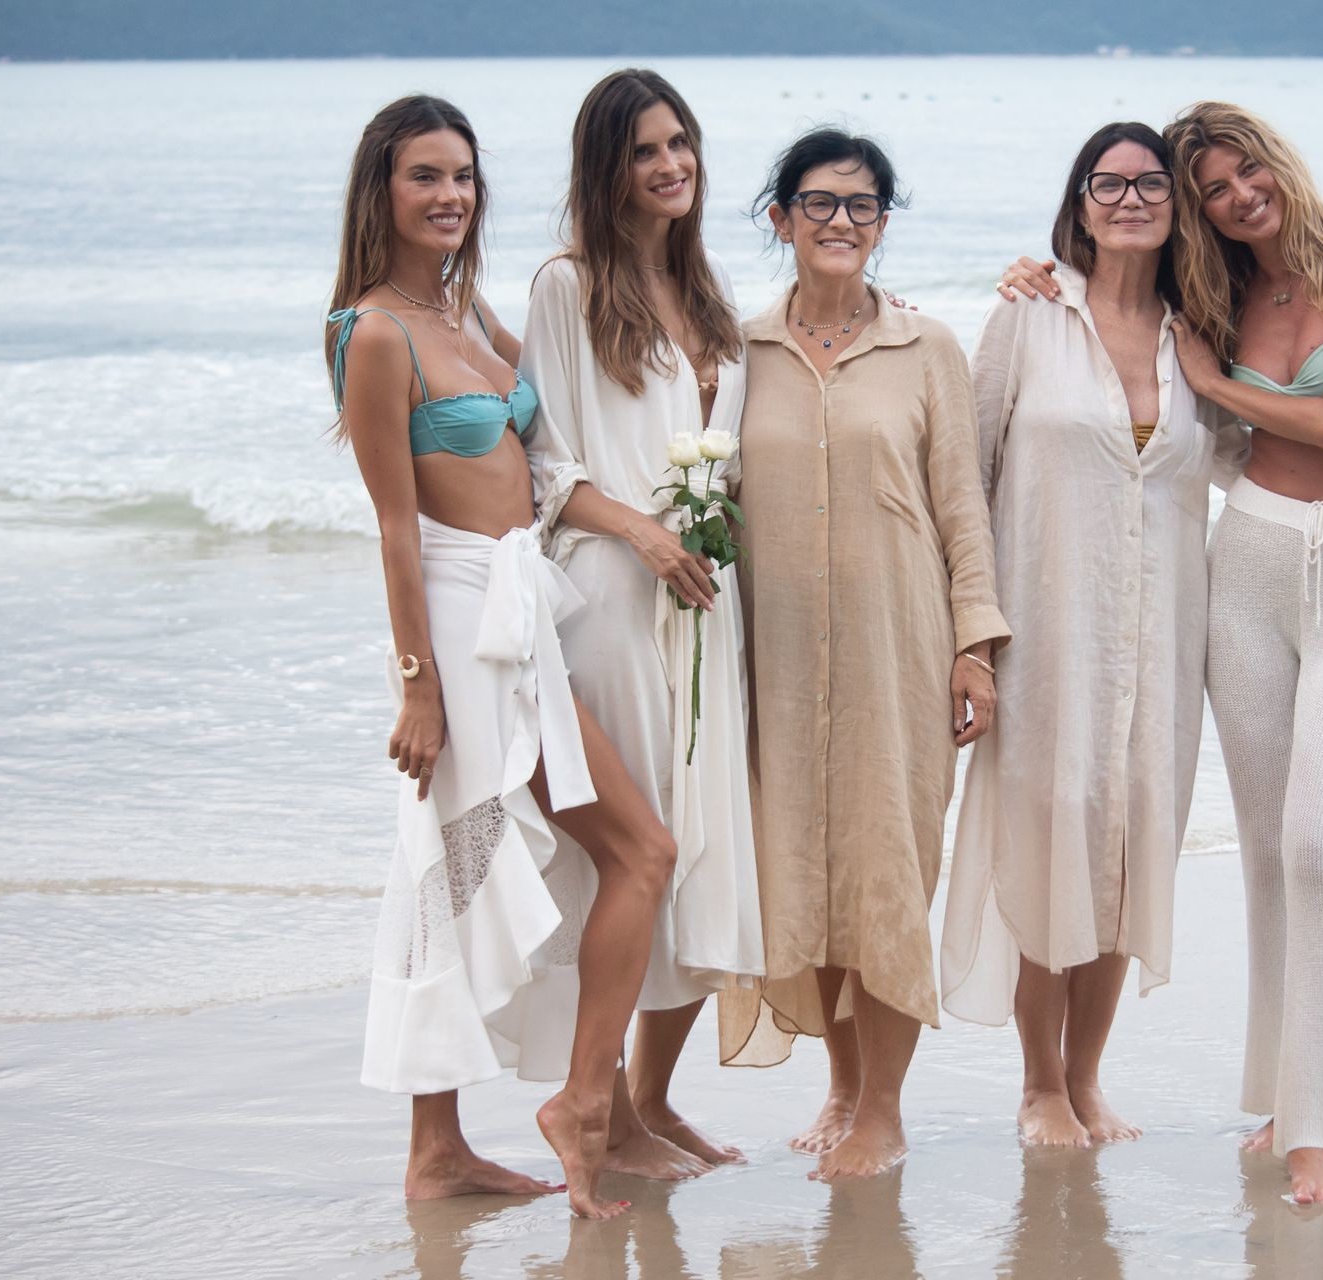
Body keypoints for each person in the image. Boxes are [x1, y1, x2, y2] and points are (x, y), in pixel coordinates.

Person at [998, 100, 1323, 1203]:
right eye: (1214, 189)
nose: (1238, 197)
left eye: (1245, 173)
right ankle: (1284, 1100)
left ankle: (1313, 1128)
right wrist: (1034, 275)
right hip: (1249, 571)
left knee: (1317, 846)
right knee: (1272, 856)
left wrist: (1216, 382)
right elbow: (1102, 356)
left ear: (1280, 160)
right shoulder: (1213, 298)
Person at [326, 95, 677, 1220]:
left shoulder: (464, 306)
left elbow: (585, 391)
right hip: (458, 622)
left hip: (520, 611)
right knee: (603, 854)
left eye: (464, 176)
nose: (451, 196)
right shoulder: (373, 332)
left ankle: (441, 1150)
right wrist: (417, 688)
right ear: (381, 188)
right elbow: (395, 526)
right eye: (425, 175)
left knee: (454, 873)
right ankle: (578, 1104)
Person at [719, 128, 1010, 1180]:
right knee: (806, 875)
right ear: (781, 218)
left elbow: (962, 508)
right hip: (776, 663)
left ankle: (882, 1111)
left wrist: (976, 647)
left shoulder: (927, 348)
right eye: (820, 202)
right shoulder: (738, 352)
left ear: (883, 224)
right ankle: (842, 1085)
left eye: (863, 205)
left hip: (902, 651)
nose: (841, 220)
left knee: (887, 873)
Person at [941, 123, 1224, 1148]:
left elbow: (1250, 451)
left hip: (1161, 644)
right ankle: (1039, 1086)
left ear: (1177, 205)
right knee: (1049, 848)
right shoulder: (1028, 316)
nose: (1130, 198)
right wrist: (970, 636)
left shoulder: (1201, 334)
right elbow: (966, 478)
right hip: (1045, 636)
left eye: (1151, 183)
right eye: (1109, 182)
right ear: (1080, 202)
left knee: (1128, 853)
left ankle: (1088, 1078)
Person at [521, 67, 763, 1177]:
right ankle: (604, 1111)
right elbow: (545, 465)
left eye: (680, 144)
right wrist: (643, 535)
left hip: (705, 601)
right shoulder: (568, 286)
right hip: (612, 596)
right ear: (605, 168)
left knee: (704, 844)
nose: (671, 166)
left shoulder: (705, 288)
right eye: (644, 151)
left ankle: (648, 1103)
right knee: (628, 859)